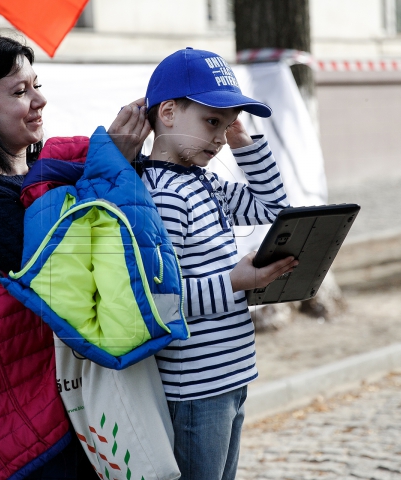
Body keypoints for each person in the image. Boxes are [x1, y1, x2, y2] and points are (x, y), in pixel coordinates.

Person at [0, 35, 149, 479]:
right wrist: (112, 167)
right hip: (28, 396)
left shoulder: (50, 175)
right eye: (19, 91)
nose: (39, 100)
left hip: (83, 383)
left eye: (37, 85)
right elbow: (70, 273)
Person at [139, 48, 300, 480]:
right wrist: (234, 281)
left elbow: (274, 207)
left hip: (229, 374)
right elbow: (160, 298)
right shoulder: (164, 196)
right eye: (213, 122)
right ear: (168, 113)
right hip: (193, 387)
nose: (220, 136)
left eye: (228, 124)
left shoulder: (202, 183)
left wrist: (243, 142)